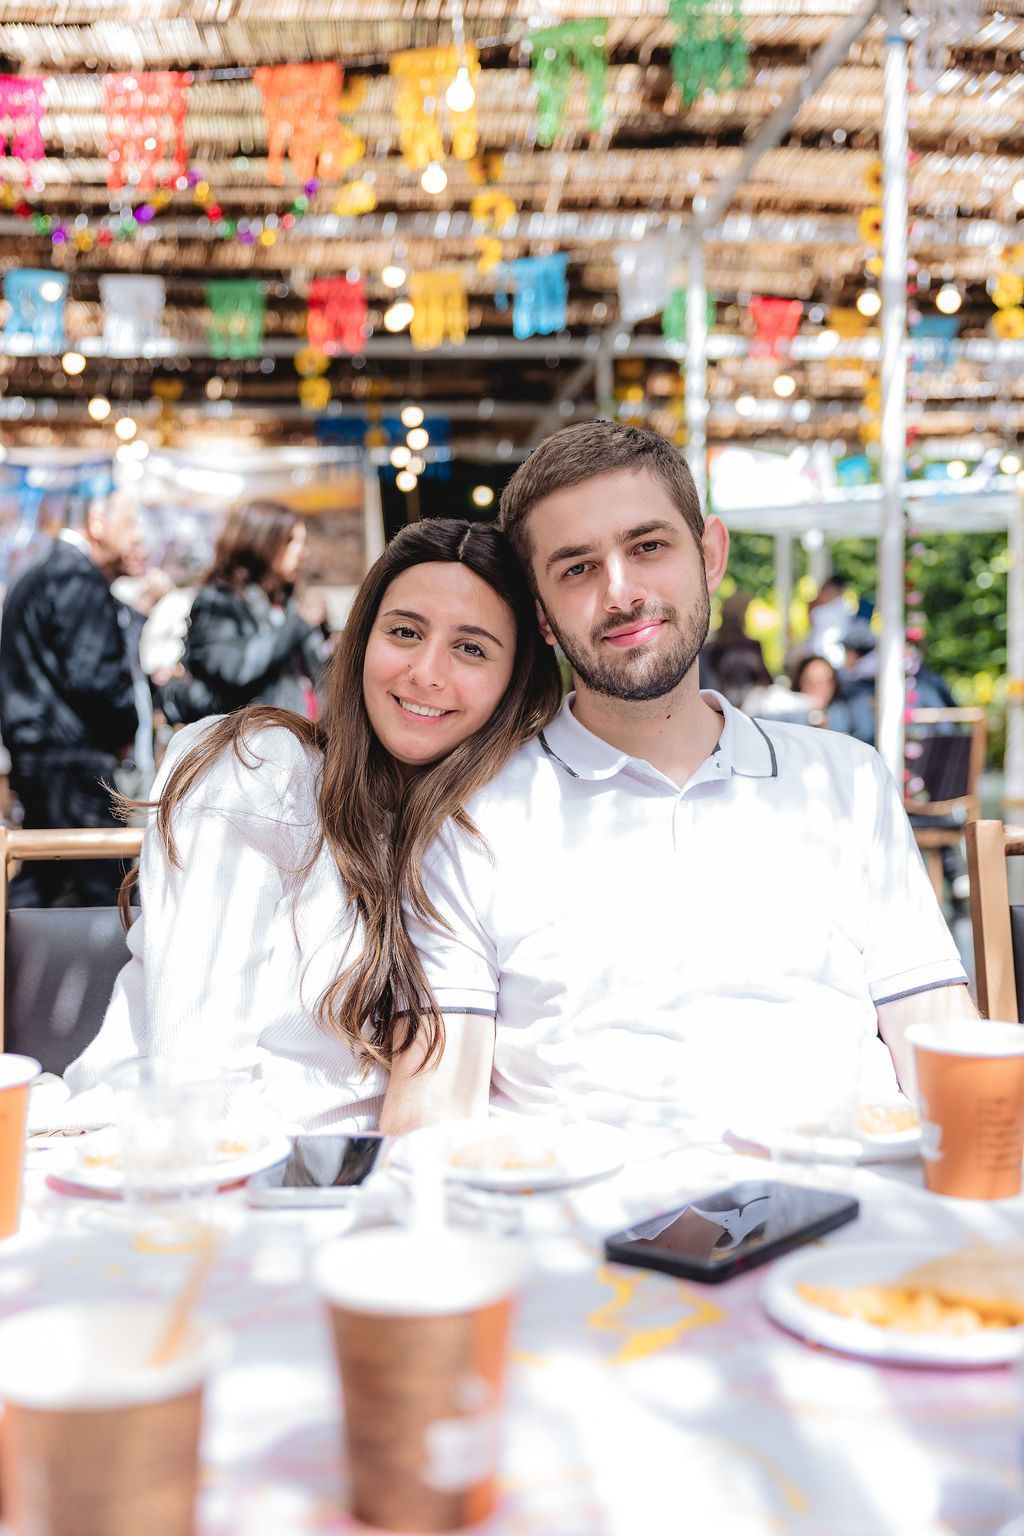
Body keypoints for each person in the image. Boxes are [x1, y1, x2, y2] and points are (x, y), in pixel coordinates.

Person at [381, 422, 976, 1135]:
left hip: (847, 1183)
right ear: (541, 615)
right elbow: (432, 1108)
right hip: (587, 1198)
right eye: (577, 568)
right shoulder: (472, 815)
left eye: (648, 547)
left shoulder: (846, 780)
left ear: (710, 556)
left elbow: (939, 1032)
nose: (621, 593)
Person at [61, 519, 562, 1132]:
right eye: (405, 632)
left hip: (355, 1177)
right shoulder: (263, 770)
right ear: (361, 641)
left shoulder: (487, 829)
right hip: (160, 1159)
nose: (427, 672)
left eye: (472, 648)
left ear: (515, 681)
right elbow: (195, 1075)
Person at [0, 491, 143, 906]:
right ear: (97, 524)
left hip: (49, 757)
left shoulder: (47, 571)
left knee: (44, 879)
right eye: (128, 523)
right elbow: (95, 678)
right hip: (70, 763)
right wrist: (124, 730)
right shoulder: (75, 577)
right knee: (109, 893)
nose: (137, 537)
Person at [164, 500, 329, 724]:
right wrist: (298, 624)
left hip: (306, 732)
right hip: (254, 738)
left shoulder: (287, 601)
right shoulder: (219, 600)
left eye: (303, 542)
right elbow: (236, 669)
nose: (303, 552)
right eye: (290, 540)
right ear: (262, 540)